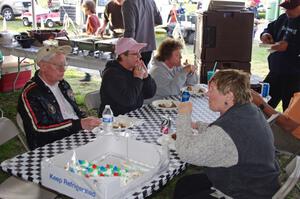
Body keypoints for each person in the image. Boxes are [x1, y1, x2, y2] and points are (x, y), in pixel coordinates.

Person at [174, 69, 280, 199]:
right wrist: (198, 125)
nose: (207, 94)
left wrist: (184, 114)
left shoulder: (225, 132)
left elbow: (185, 152)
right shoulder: (249, 110)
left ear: (229, 96)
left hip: (246, 193)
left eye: (212, 89)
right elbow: (228, 133)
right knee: (184, 184)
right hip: (258, 183)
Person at [18, 45, 101, 150]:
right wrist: (78, 124)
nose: (63, 70)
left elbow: (75, 111)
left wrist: (86, 120)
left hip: (76, 136)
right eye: (58, 65)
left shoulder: (63, 84)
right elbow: (39, 129)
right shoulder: (31, 93)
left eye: (65, 65)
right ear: (43, 66)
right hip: (51, 146)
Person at [98, 38, 156, 117]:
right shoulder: (111, 74)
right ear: (122, 55)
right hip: (115, 120)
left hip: (134, 116)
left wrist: (146, 77)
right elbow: (128, 101)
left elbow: (149, 94)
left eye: (139, 52)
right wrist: (138, 78)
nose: (140, 56)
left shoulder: (133, 70)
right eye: (135, 54)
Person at [260, 0, 300, 111]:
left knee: (290, 112)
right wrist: (265, 35)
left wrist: (289, 47)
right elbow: (269, 28)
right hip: (276, 72)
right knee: (261, 106)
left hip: (295, 76)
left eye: (291, 8)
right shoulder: (283, 18)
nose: (287, 11)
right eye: (286, 8)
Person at [122, 0, 162, 67]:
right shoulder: (151, 1)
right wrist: (146, 26)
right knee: (142, 74)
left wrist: (125, 51)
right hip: (148, 47)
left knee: (132, 75)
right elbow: (159, 21)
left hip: (135, 50)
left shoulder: (128, 3)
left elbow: (130, 31)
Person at [81, 0, 101, 82]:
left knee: (86, 58)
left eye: (84, 9)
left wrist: (87, 34)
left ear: (87, 9)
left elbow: (94, 30)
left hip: (91, 41)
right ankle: (88, 75)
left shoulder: (90, 17)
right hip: (94, 40)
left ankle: (88, 75)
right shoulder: (95, 16)